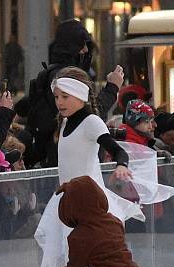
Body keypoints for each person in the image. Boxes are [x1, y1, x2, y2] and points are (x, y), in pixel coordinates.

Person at [34, 67, 147, 267]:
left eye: (65, 96)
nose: (59, 102)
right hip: (65, 207)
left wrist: (123, 166)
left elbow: (116, 148)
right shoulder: (68, 121)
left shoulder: (90, 122)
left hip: (86, 210)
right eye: (56, 96)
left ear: (80, 96)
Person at [16, 19, 123, 169]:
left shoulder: (49, 74)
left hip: (53, 155)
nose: (85, 50)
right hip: (71, 160)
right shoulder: (66, 77)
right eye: (81, 45)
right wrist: (112, 88)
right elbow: (90, 113)